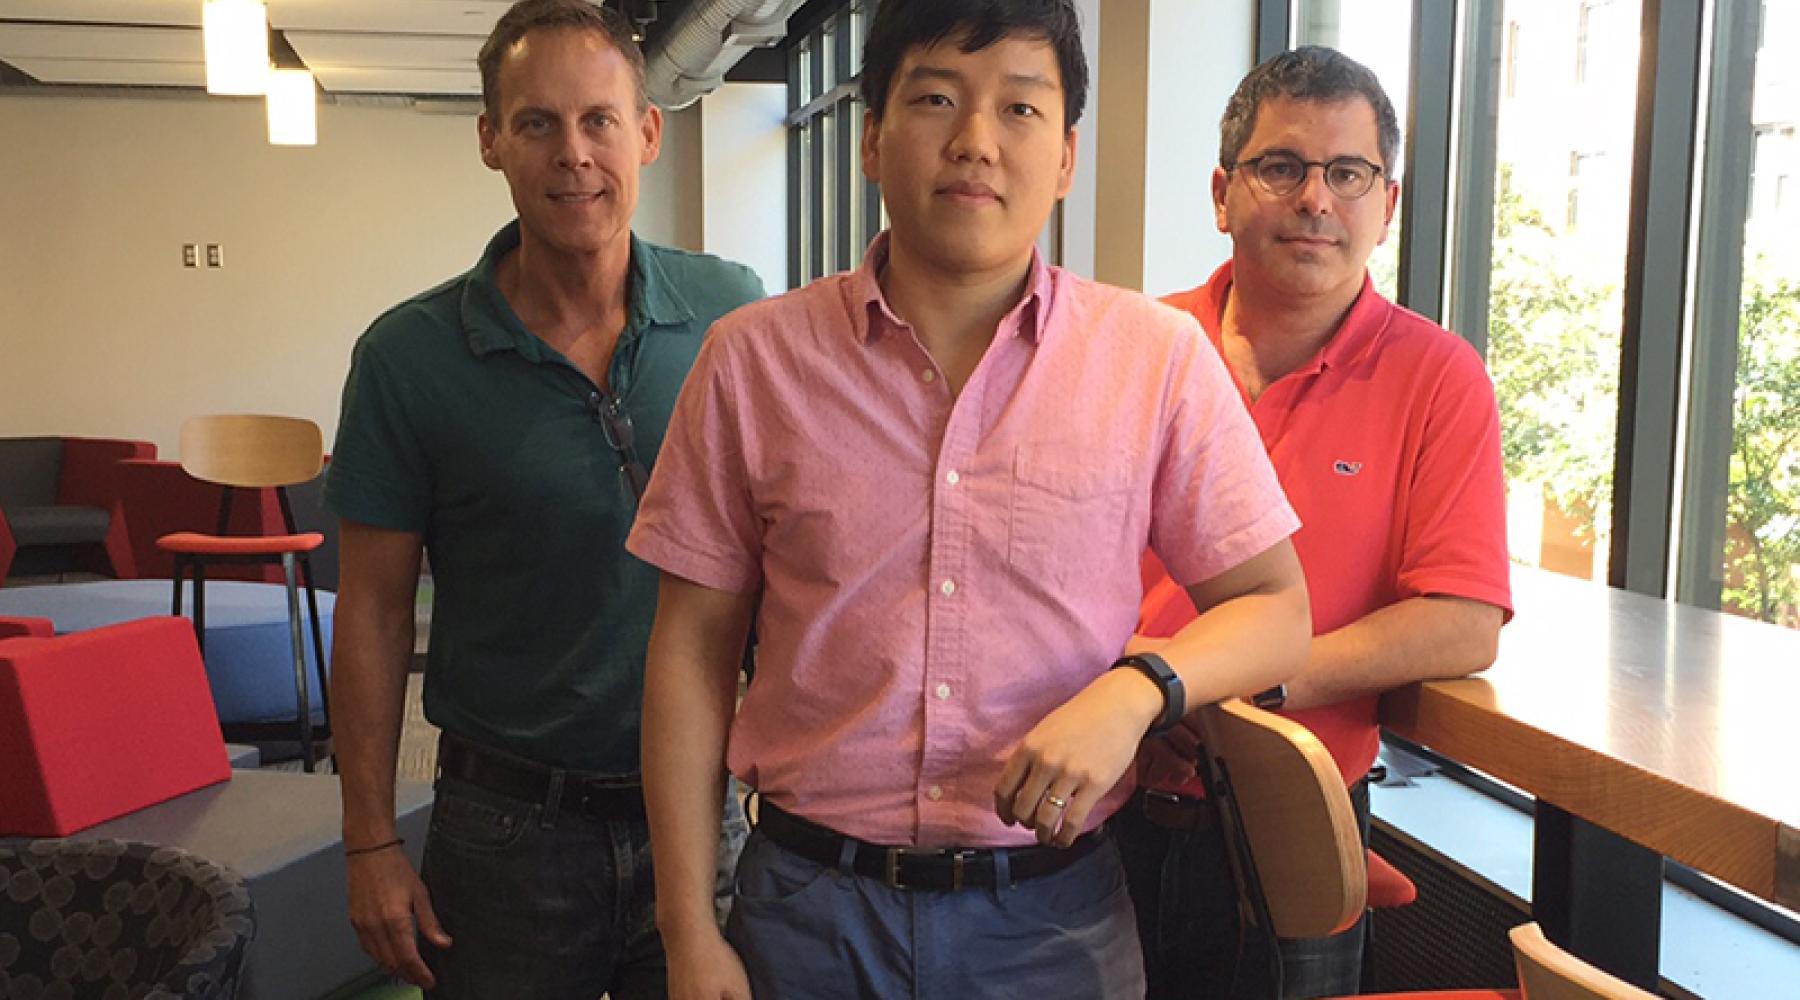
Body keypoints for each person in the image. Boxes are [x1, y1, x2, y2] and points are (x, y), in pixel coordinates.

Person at [625, 2, 1313, 998]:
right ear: (871, 138)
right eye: (936, 99)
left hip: (1053, 923)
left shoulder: (1153, 361)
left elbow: (1276, 607)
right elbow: (691, 651)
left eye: (1021, 108)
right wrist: (687, 927)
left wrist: (1137, 691)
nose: (976, 142)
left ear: (1066, 155)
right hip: (809, 912)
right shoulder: (752, 361)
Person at [323, 2, 763, 996]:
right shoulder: (408, 357)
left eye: (599, 120)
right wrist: (368, 840)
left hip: (700, 815)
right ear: (490, 140)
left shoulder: (730, 315)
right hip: (506, 833)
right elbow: (375, 611)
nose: (574, 154)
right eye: (537, 123)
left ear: (647, 133)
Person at [1116, 46, 1513, 1000]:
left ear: (1389, 203)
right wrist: (1136, 682)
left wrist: (1228, 685)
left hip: (1297, 827)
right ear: (1223, 193)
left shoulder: (1439, 378)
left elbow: (1463, 621)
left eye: (1349, 173)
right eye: (1282, 167)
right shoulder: (1133, 348)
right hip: (1095, 803)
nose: (1315, 199)